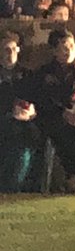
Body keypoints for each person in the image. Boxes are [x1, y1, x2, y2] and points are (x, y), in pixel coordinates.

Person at [28, 28, 75, 191]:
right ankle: (73, 176)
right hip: (54, 117)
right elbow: (44, 99)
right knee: (64, 132)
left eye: (72, 46)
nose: (70, 51)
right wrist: (63, 112)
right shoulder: (44, 73)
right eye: (64, 47)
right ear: (54, 50)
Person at [0, 31, 40, 192]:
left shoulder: (27, 75)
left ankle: (13, 186)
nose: (10, 54)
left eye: (13, 49)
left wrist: (31, 110)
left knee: (26, 142)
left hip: (25, 123)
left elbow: (36, 98)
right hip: (5, 119)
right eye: (5, 50)